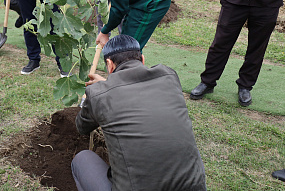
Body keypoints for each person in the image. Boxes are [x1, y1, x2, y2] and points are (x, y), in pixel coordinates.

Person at [72, 34, 206, 191]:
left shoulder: (98, 94)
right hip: (192, 186)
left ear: (109, 65)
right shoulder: (169, 76)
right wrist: (105, 85)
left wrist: (99, 90)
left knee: (82, 159)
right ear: (142, 59)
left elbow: (82, 127)